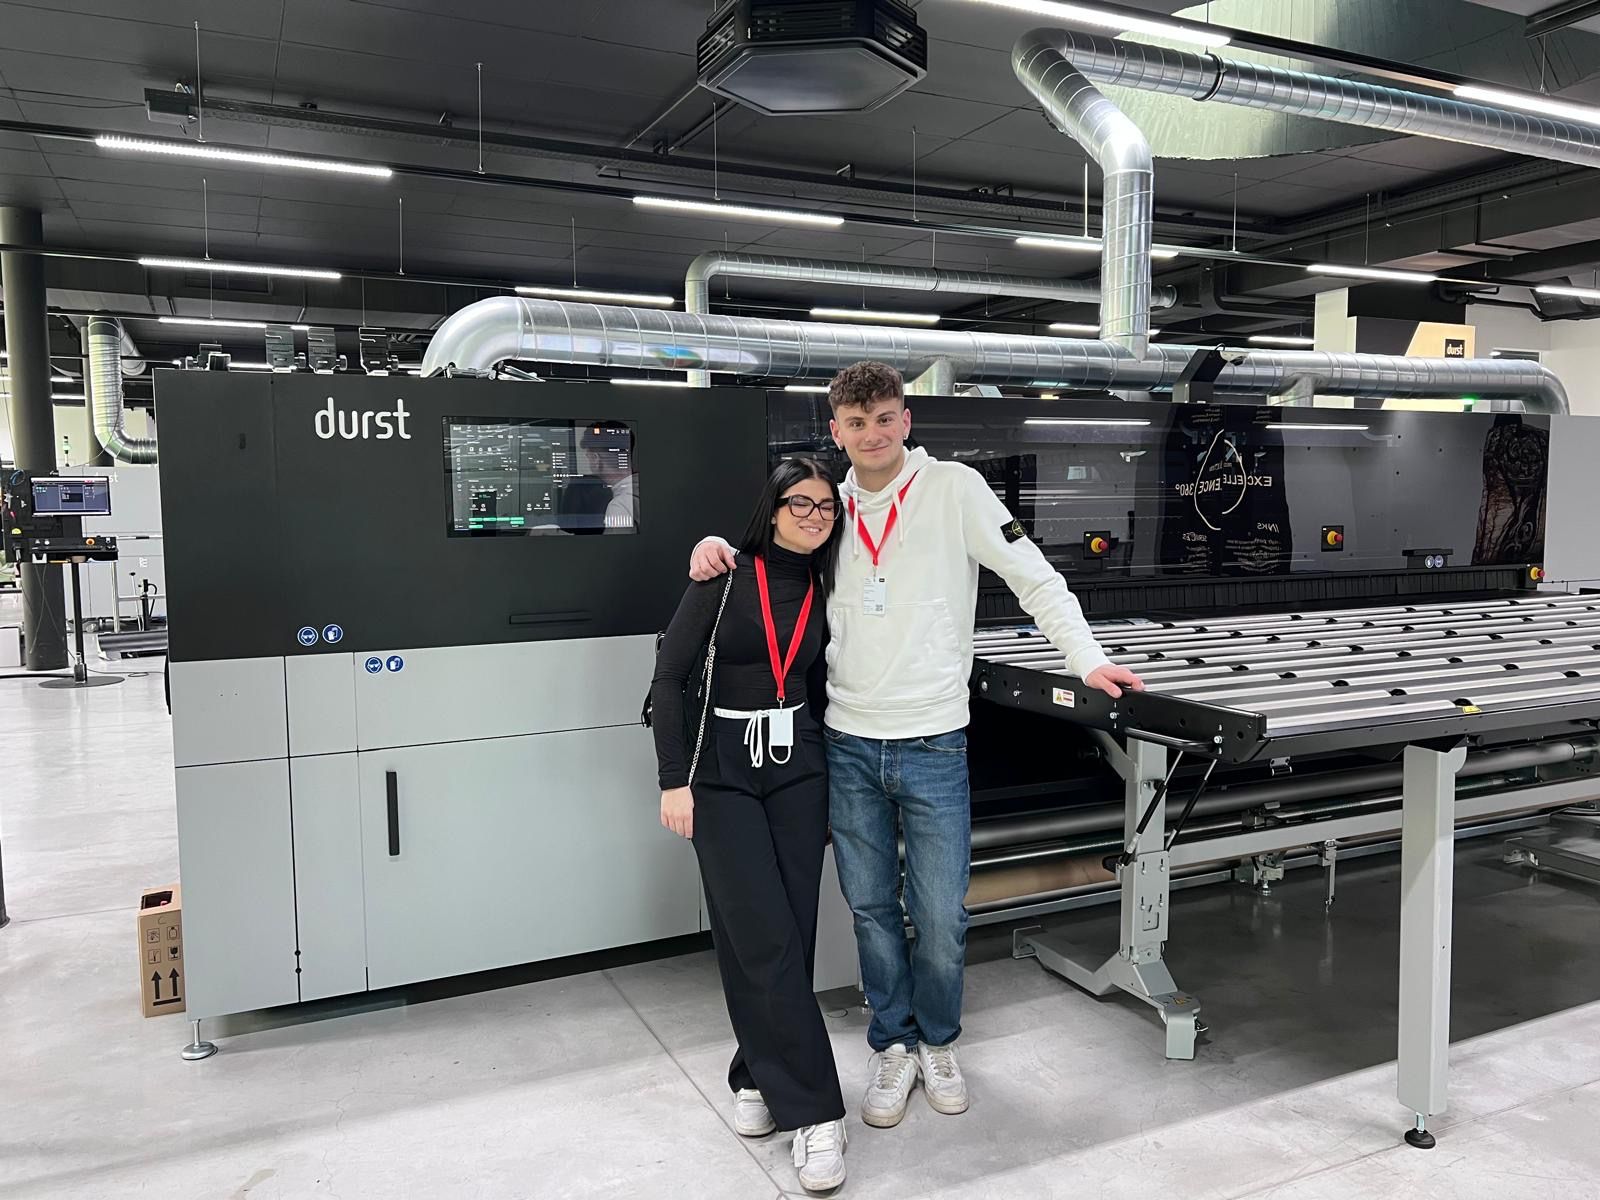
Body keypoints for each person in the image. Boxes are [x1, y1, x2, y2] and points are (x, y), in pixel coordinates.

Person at [690, 362, 1144, 1130]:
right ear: (836, 431)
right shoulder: (828, 507)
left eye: (884, 418)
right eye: (856, 423)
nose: (872, 434)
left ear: (906, 420)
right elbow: (767, 559)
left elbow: (1034, 578)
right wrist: (712, 547)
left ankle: (938, 1040)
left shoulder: (955, 490)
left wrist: (1087, 660)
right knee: (870, 910)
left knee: (939, 915)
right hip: (847, 743)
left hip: (933, 741)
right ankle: (893, 1043)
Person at [650, 456, 851, 1194]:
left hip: (798, 769)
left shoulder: (828, 583)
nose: (814, 517)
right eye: (800, 503)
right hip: (722, 773)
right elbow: (669, 679)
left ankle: (755, 1072)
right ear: (772, 508)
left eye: (826, 506)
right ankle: (818, 1112)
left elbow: (818, 684)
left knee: (789, 932)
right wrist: (673, 780)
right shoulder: (725, 574)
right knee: (760, 932)